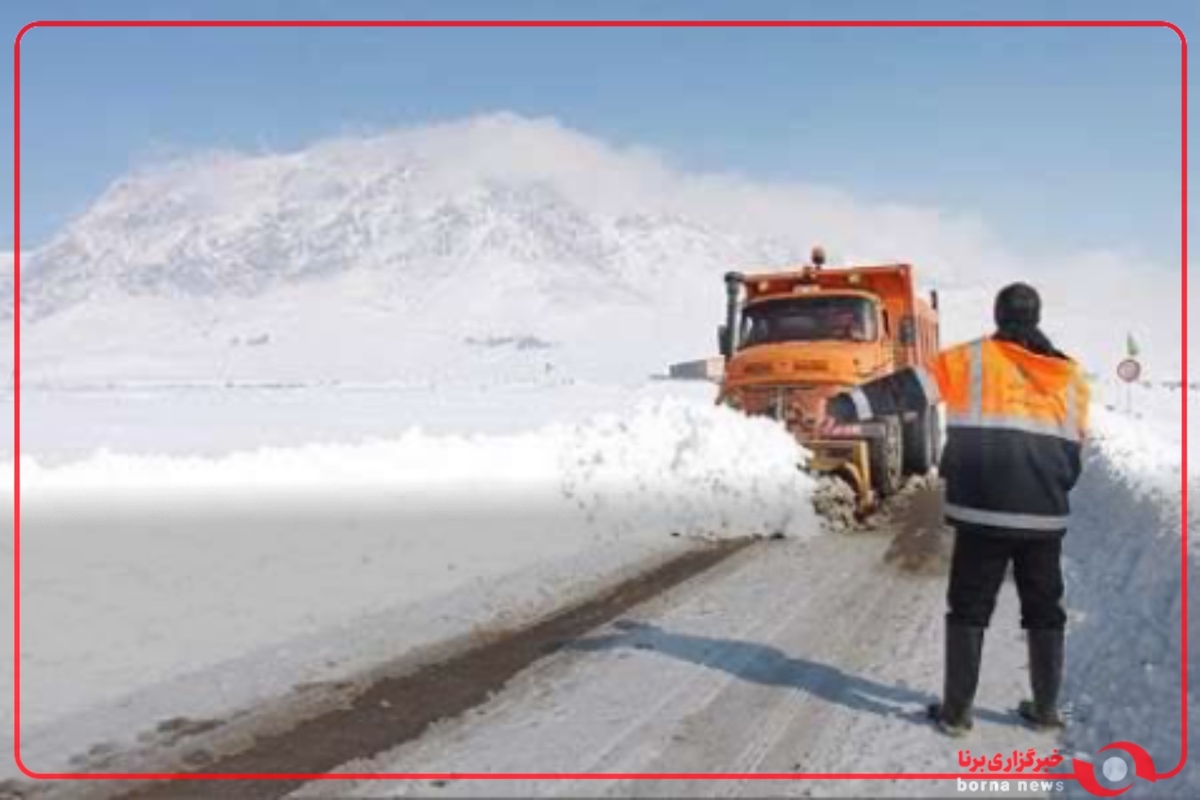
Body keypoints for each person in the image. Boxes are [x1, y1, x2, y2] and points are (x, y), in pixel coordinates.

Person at [825, 283, 1090, 737]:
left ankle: (956, 713)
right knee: (1045, 610)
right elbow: (1074, 449)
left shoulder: (973, 360)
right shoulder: (1071, 376)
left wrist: (846, 404)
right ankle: (1045, 711)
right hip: (1045, 515)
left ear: (998, 315)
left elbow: (906, 389)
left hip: (983, 512)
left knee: (969, 608)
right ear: (1037, 317)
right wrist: (1051, 489)